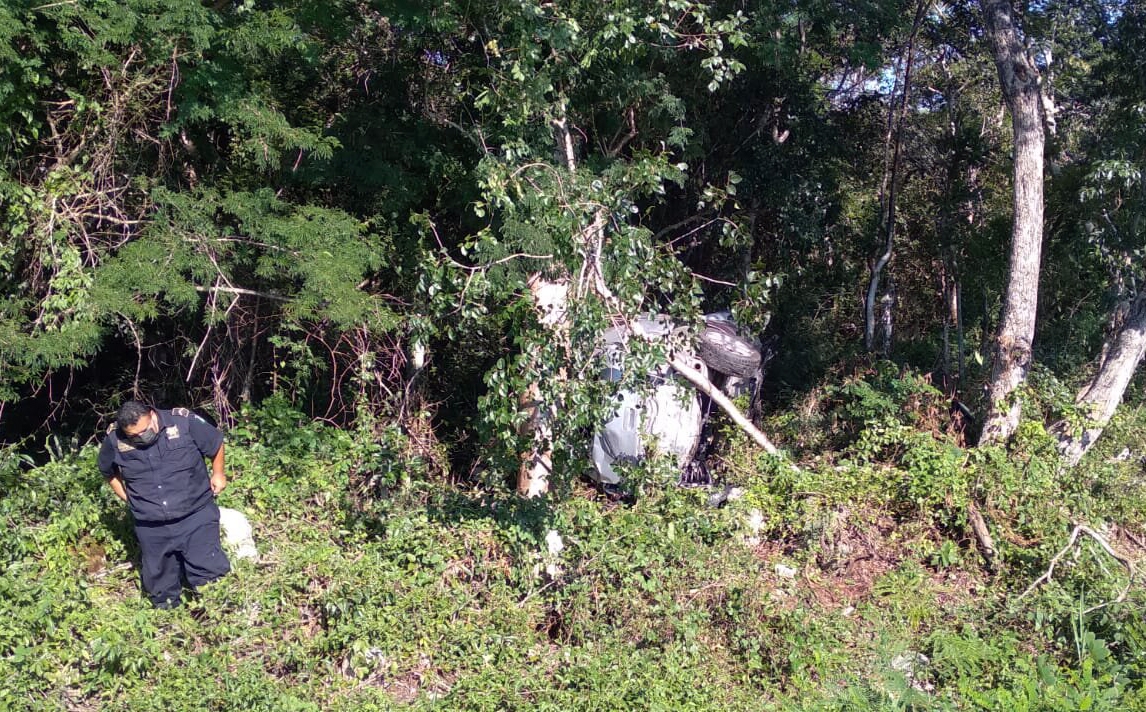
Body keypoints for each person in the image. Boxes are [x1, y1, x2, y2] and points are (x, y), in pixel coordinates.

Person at [97, 400, 231, 608]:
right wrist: (130, 499)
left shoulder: (182, 421)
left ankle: (221, 619)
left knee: (210, 574)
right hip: (152, 526)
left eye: (144, 430)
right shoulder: (115, 439)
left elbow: (215, 442)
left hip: (196, 514)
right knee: (161, 585)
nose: (141, 437)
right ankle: (171, 627)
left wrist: (219, 473)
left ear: (152, 414)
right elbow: (108, 472)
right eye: (134, 436)